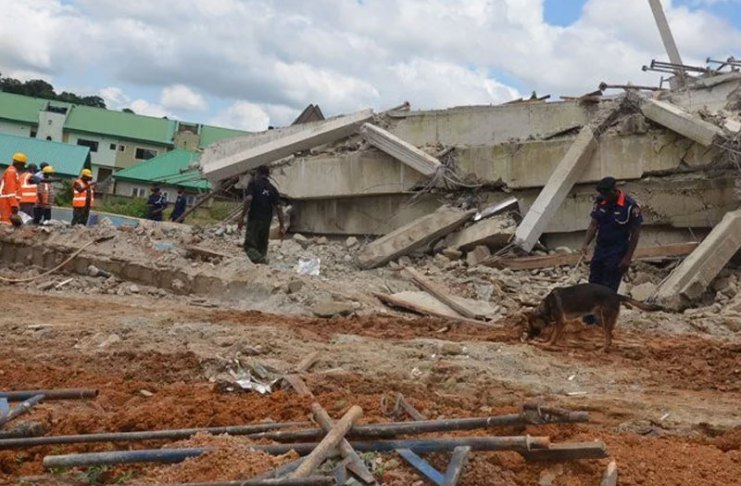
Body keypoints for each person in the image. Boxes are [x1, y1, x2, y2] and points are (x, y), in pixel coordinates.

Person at [581, 177, 643, 322]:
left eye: (606, 195)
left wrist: (627, 258)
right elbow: (593, 224)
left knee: (608, 289)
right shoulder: (600, 201)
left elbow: (635, 234)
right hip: (601, 249)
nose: (604, 198)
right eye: (602, 195)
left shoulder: (630, 206)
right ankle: (589, 320)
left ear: (614, 191)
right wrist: (585, 244)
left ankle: (602, 321)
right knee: (593, 283)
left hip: (618, 252)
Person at [237, 165, 285, 264]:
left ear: (257, 174)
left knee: (249, 246)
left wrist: (242, 217)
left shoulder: (253, 184)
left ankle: (261, 261)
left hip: (255, 218)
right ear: (268, 175)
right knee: (262, 246)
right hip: (267, 221)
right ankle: (261, 268)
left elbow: (249, 199)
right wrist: (282, 225)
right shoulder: (273, 189)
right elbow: (279, 208)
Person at [0, 152, 27, 226]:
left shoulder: (12, 171)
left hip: (8, 200)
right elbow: (10, 190)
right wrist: (14, 205)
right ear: (19, 163)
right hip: (7, 201)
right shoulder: (11, 172)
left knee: (7, 222)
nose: (23, 167)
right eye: (23, 165)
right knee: (6, 222)